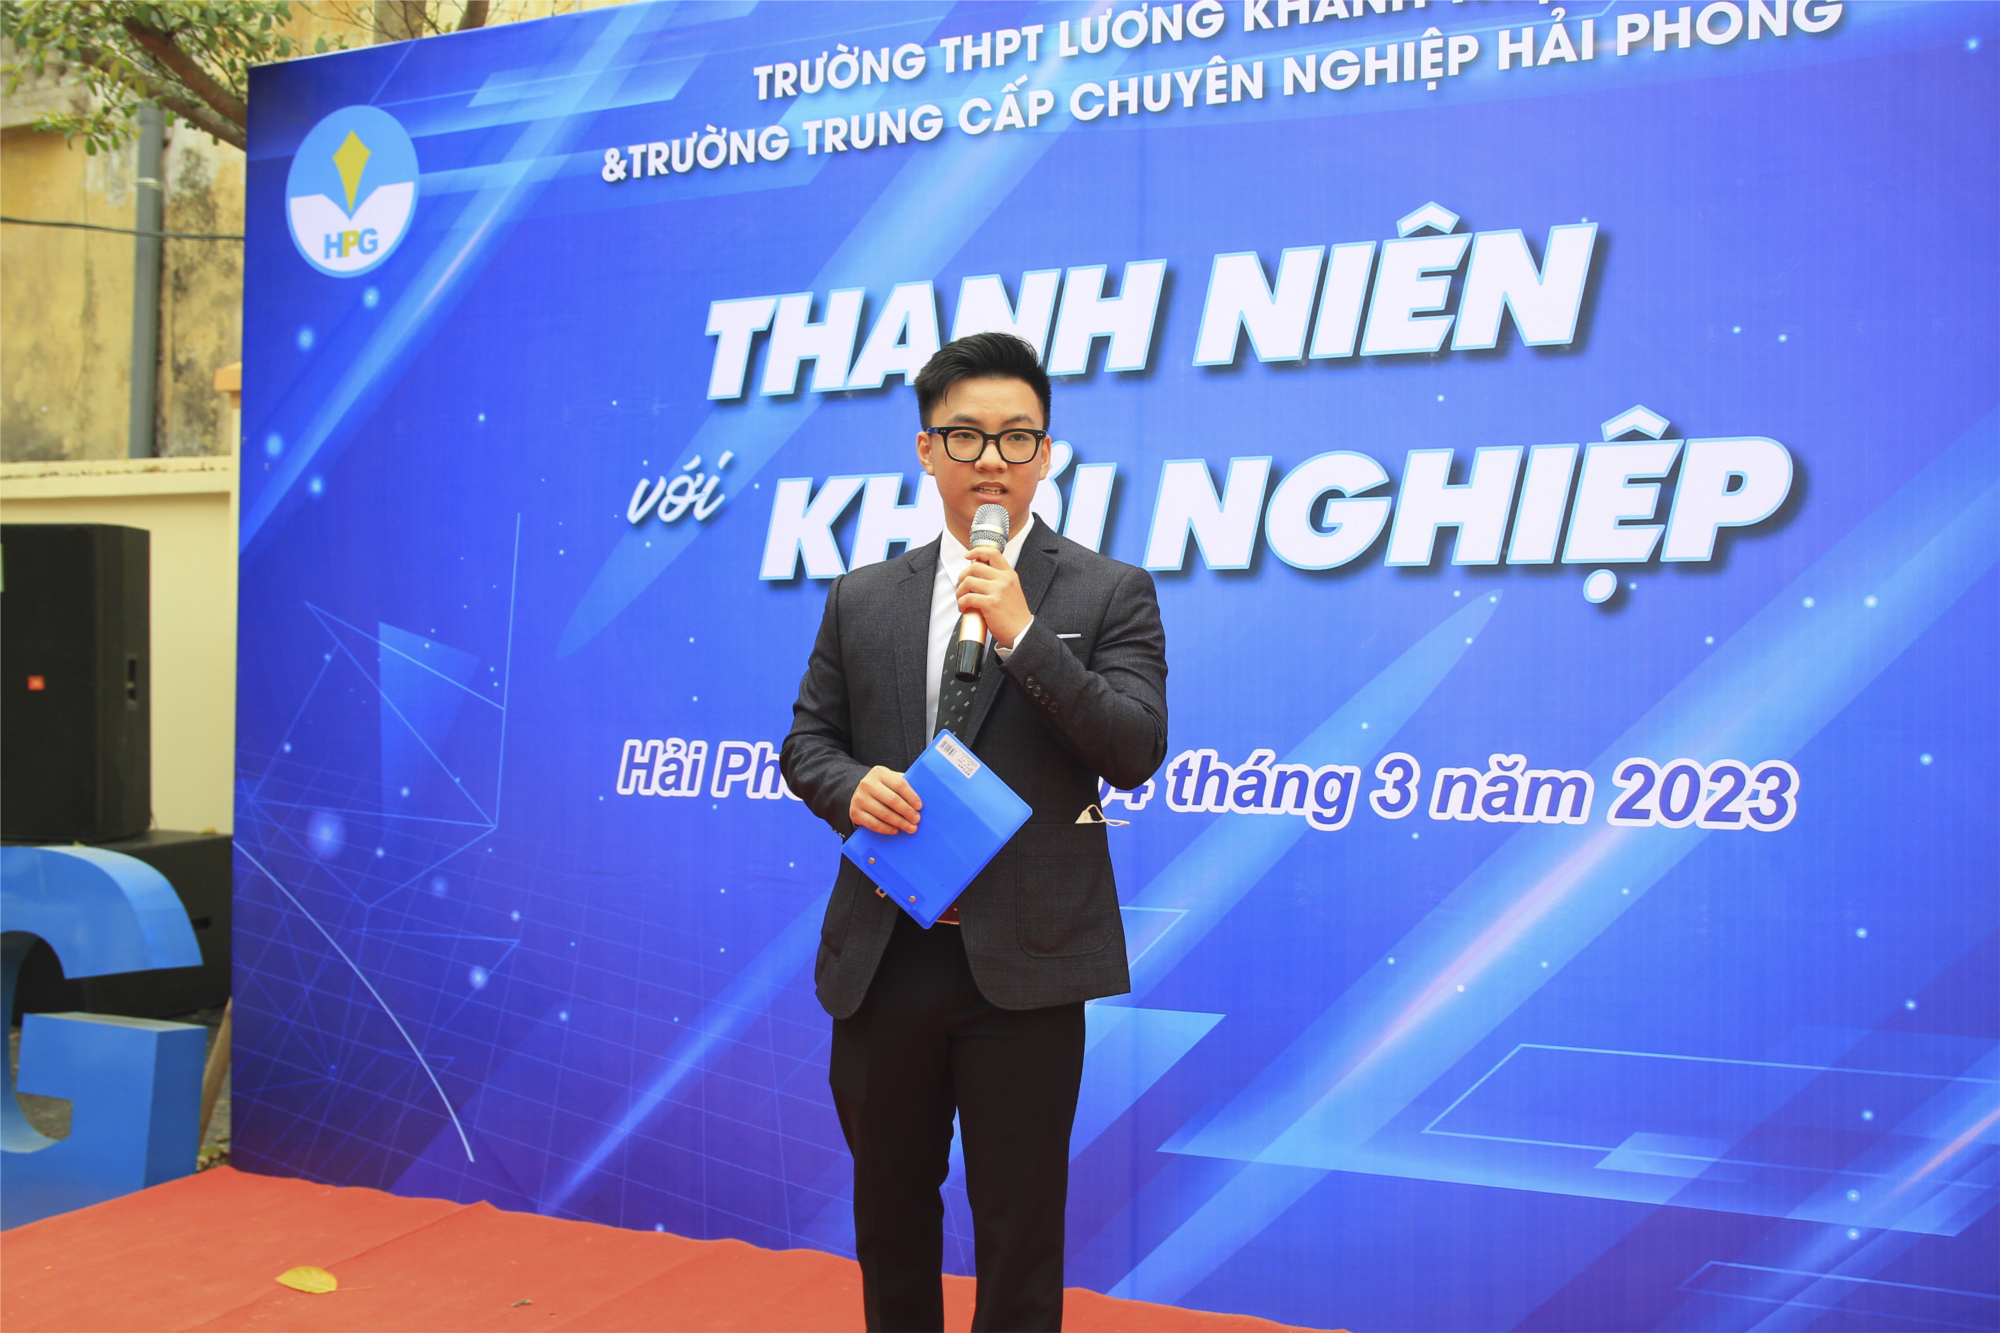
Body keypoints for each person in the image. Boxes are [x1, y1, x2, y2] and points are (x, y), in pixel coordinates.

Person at [781, 331, 1170, 1333]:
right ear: (925, 449)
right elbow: (807, 742)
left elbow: (1132, 748)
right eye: (964, 435)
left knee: (1018, 1230)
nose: (990, 458)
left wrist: (1024, 635)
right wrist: (849, 787)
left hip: (1025, 969)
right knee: (890, 1218)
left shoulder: (1109, 591)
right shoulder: (863, 594)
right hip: (885, 954)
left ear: (1046, 452)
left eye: (1015, 436)